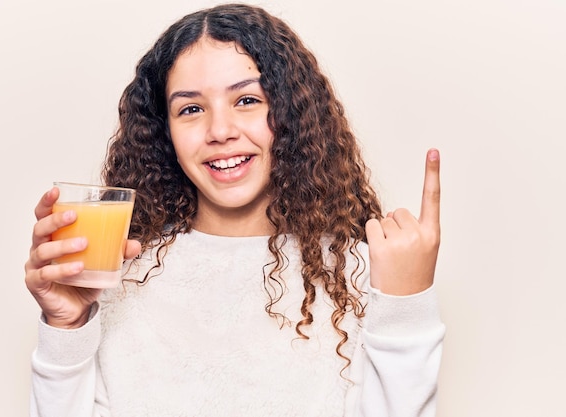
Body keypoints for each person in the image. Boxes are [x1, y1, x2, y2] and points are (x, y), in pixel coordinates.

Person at [25, 3, 445, 417]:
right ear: (164, 132)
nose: (221, 131)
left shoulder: (357, 272)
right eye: (191, 109)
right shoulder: (117, 272)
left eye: (246, 100)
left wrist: (406, 305)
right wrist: (66, 329)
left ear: (290, 114)